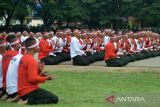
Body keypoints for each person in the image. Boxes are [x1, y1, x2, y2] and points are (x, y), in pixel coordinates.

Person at [18, 38, 58, 105]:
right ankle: (29, 102)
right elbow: (32, 79)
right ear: (33, 48)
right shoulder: (31, 60)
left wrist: (39, 71)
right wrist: (46, 78)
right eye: (37, 45)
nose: (38, 47)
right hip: (29, 91)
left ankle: (26, 99)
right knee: (54, 99)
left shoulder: (24, 57)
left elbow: (28, 76)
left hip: (22, 90)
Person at [1, 35, 20, 100]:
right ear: (16, 44)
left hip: (4, 85)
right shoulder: (17, 56)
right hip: (13, 86)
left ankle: (5, 94)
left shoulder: (4, 56)